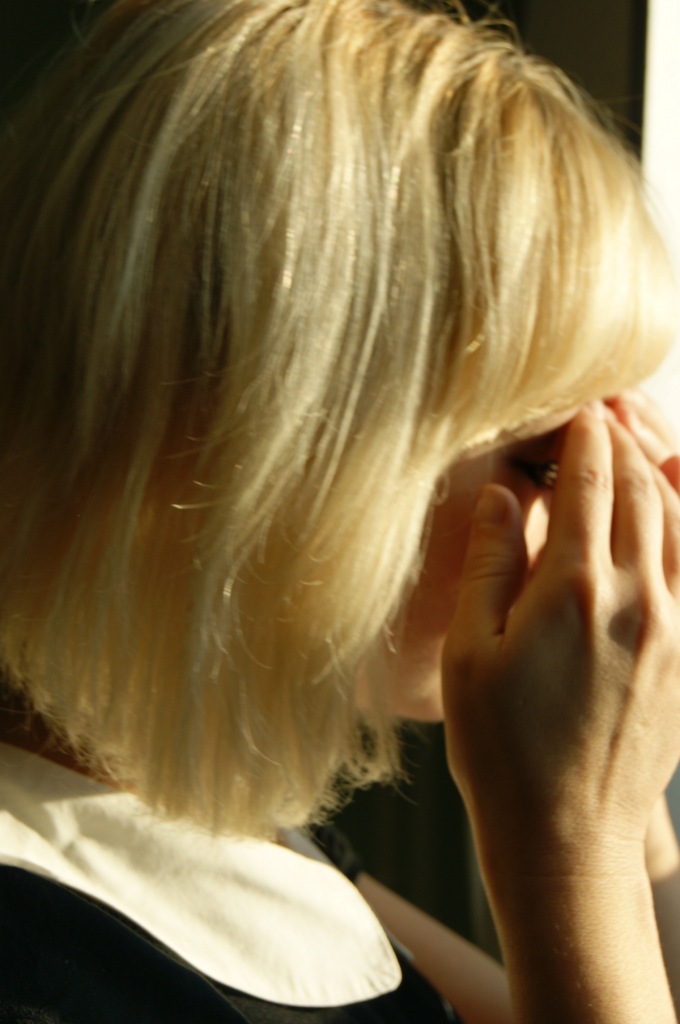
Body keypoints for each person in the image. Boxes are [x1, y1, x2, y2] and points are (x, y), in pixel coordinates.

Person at [0, 0, 679, 1021]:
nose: (606, 503)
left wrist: (622, 789)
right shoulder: (48, 964)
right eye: (550, 457)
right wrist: (574, 844)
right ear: (289, 467)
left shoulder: (216, 827)